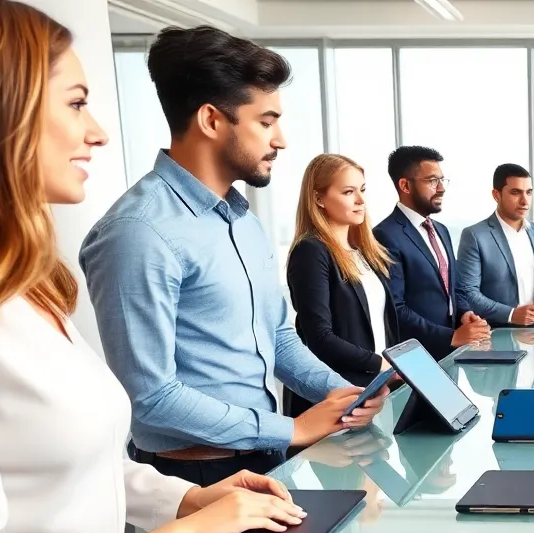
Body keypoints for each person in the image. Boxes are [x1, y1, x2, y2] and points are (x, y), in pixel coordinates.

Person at [0, 0, 314, 533]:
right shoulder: (134, 233)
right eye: (75, 103)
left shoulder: (25, 291)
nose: (97, 132)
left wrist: (185, 501)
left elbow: (69, 462)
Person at [79, 26, 385, 486]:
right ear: (211, 120)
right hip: (194, 475)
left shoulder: (243, 220)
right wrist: (293, 429)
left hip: (266, 458)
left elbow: (278, 339)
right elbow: (150, 397)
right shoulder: (137, 232)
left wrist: (342, 393)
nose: (280, 139)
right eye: (266, 122)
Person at [283, 154, 398, 418]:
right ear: (318, 199)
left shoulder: (365, 252)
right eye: (348, 192)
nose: (360, 200)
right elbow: (319, 337)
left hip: (375, 388)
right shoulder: (311, 251)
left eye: (362, 190)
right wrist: (379, 363)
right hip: (335, 396)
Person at [373, 146, 490, 357]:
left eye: (442, 180)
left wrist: (464, 313)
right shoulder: (385, 234)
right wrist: (450, 336)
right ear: (405, 185)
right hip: (415, 357)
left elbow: (453, 288)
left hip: (451, 353)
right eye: (432, 181)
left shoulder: (441, 230)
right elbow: (395, 308)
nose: (441, 188)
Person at [454, 163, 534, 327]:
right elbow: (468, 292)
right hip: (495, 333)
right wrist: (511, 314)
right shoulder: (475, 235)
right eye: (515, 192)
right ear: (496, 195)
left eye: (528, 192)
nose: (525, 201)